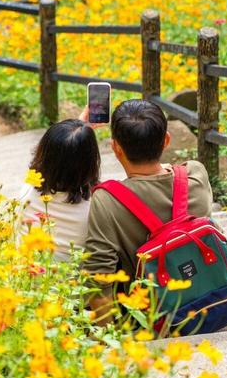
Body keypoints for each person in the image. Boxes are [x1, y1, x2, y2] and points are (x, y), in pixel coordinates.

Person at [84, 99, 213, 315]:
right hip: (210, 300)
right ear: (166, 141)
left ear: (116, 148)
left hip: (152, 318)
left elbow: (99, 281)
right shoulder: (195, 174)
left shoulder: (107, 201)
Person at [17, 118, 101, 260]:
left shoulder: (27, 191)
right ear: (90, 164)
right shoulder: (95, 207)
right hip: (70, 280)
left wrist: (73, 129)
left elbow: (57, 153)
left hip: (24, 276)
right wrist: (80, 132)